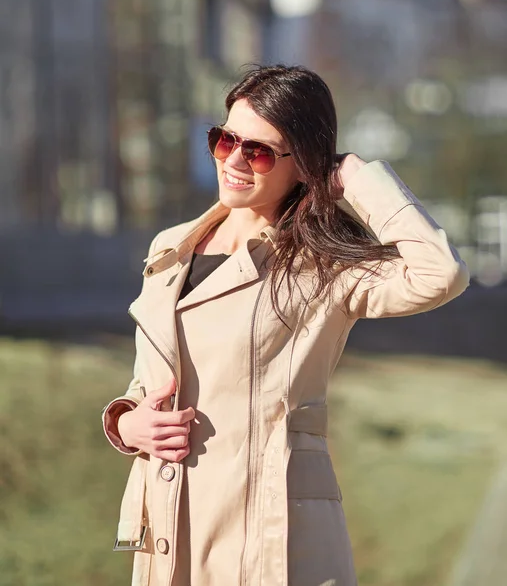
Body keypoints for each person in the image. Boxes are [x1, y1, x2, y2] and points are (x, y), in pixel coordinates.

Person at [102, 64, 469, 586]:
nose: (233, 160)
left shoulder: (323, 267)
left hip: (270, 531)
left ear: (303, 166)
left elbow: (441, 273)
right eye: (224, 139)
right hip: (166, 519)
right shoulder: (169, 248)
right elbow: (152, 381)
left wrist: (358, 178)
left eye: (258, 151)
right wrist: (126, 422)